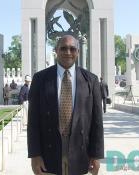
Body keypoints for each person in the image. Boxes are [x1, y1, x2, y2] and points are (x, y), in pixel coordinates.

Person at [27, 35, 104, 175]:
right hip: (48, 153)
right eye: (63, 48)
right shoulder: (40, 78)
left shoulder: (91, 80)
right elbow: (33, 121)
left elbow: (97, 122)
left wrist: (96, 155)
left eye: (72, 48)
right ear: (56, 50)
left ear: (78, 52)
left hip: (81, 152)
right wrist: (35, 155)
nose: (68, 52)